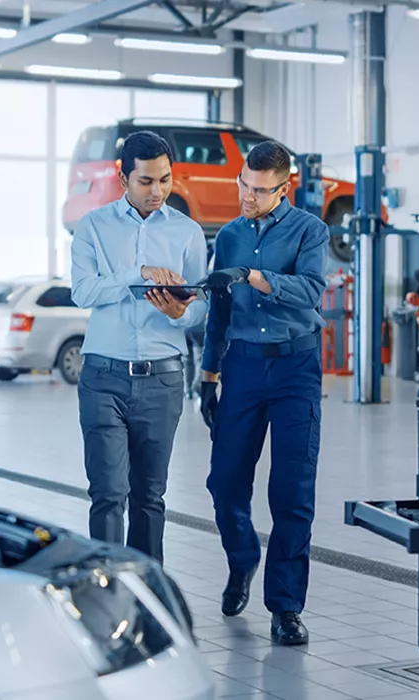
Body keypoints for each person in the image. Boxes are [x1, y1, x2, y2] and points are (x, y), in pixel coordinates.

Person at [199, 140, 329, 646]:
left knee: (292, 492)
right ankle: (242, 560)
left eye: (258, 190)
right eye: (243, 185)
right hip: (243, 369)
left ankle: (286, 607)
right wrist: (209, 376)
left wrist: (256, 277)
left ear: (284, 187)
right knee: (225, 482)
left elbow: (312, 290)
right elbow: (219, 312)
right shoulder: (228, 236)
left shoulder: (309, 230)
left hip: (296, 367)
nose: (247, 196)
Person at [69, 130, 208, 563]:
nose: (157, 191)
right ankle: (107, 591)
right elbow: (84, 292)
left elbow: (199, 305)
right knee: (109, 494)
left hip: (164, 377)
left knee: (150, 496)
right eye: (146, 181)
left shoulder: (187, 232)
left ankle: (146, 593)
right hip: (103, 377)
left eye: (165, 180)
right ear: (122, 175)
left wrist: (178, 314)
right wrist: (138, 272)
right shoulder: (93, 226)